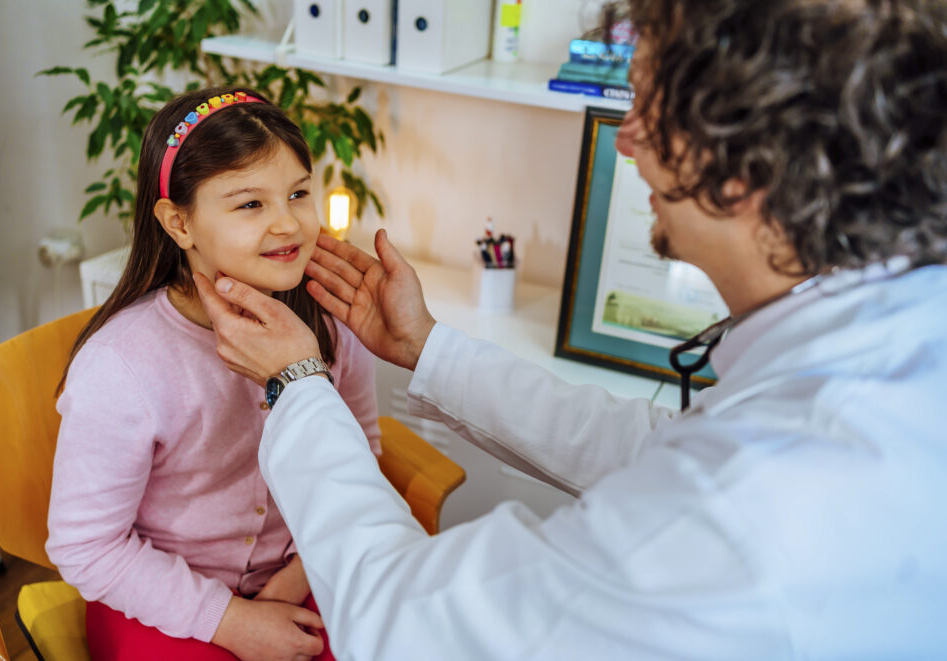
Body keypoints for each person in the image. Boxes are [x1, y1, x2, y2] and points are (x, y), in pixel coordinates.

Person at [194, 0, 947, 657]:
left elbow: (407, 626)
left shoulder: (757, 501)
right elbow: (652, 448)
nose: (625, 140)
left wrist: (298, 381)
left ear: (749, 161)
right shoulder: (890, 337)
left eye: (649, 108)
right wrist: (426, 348)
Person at [46, 86, 382, 661]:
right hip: (160, 597)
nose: (288, 224)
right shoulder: (120, 365)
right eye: (250, 204)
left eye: (298, 193)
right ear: (179, 222)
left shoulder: (333, 323)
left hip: (310, 570)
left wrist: (298, 577)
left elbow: (361, 457)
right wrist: (230, 621)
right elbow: (86, 546)